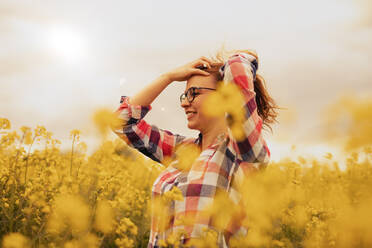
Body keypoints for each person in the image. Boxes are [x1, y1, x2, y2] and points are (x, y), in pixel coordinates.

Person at [113, 49, 278, 247]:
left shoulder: (242, 149)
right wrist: (168, 77)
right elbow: (122, 123)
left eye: (194, 93)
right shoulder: (182, 149)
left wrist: (234, 64)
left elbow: (237, 67)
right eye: (184, 95)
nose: (185, 103)